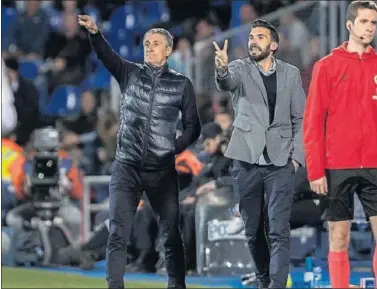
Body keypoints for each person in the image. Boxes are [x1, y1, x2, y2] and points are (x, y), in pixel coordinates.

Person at [78, 15, 201, 289]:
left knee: (171, 235)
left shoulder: (181, 84)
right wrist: (95, 34)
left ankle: (177, 285)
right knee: (117, 233)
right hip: (127, 167)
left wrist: (174, 148)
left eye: (156, 44)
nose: (149, 47)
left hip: (162, 170)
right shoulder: (129, 73)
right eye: (146, 43)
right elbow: (106, 55)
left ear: (168, 50)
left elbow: (193, 127)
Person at [214, 19, 306, 288]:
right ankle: (264, 278)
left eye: (260, 37)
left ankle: (276, 285)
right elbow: (226, 82)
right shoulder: (239, 68)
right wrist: (220, 68)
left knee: (279, 230)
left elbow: (300, 119)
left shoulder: (291, 74)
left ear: (273, 45)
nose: (253, 41)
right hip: (246, 161)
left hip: (281, 163)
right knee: (253, 231)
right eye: (252, 37)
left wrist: (297, 158)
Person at [303, 1, 377, 288]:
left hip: (374, 164)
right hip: (337, 166)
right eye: (364, 22)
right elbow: (313, 122)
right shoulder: (327, 67)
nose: (369, 27)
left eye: (373, 22)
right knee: (339, 237)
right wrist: (315, 170)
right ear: (349, 25)